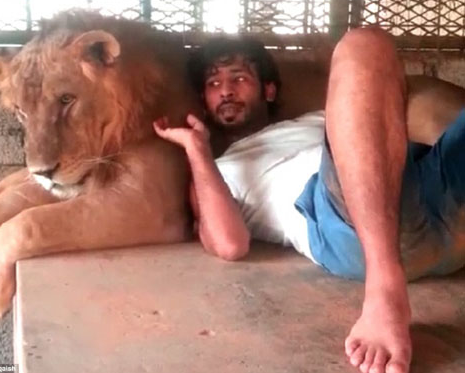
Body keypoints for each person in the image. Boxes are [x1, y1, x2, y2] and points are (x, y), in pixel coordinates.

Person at [153, 27, 465, 373]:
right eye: (214, 84)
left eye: (238, 78)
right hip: (350, 227)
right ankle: (384, 287)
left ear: (269, 90)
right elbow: (229, 244)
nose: (225, 90)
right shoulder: (215, 171)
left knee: (370, 43)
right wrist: (197, 149)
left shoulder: (320, 117)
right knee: (362, 44)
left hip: (432, 188)